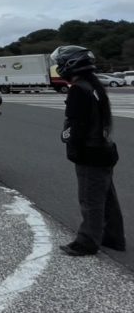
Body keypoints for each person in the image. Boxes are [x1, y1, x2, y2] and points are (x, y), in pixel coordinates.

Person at [51, 45, 125, 256]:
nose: (58, 67)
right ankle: (113, 237)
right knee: (107, 197)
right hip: (105, 149)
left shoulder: (78, 89)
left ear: (70, 64)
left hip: (90, 152)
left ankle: (87, 242)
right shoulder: (94, 85)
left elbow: (76, 125)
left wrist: (66, 138)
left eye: (60, 64)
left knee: (90, 199)